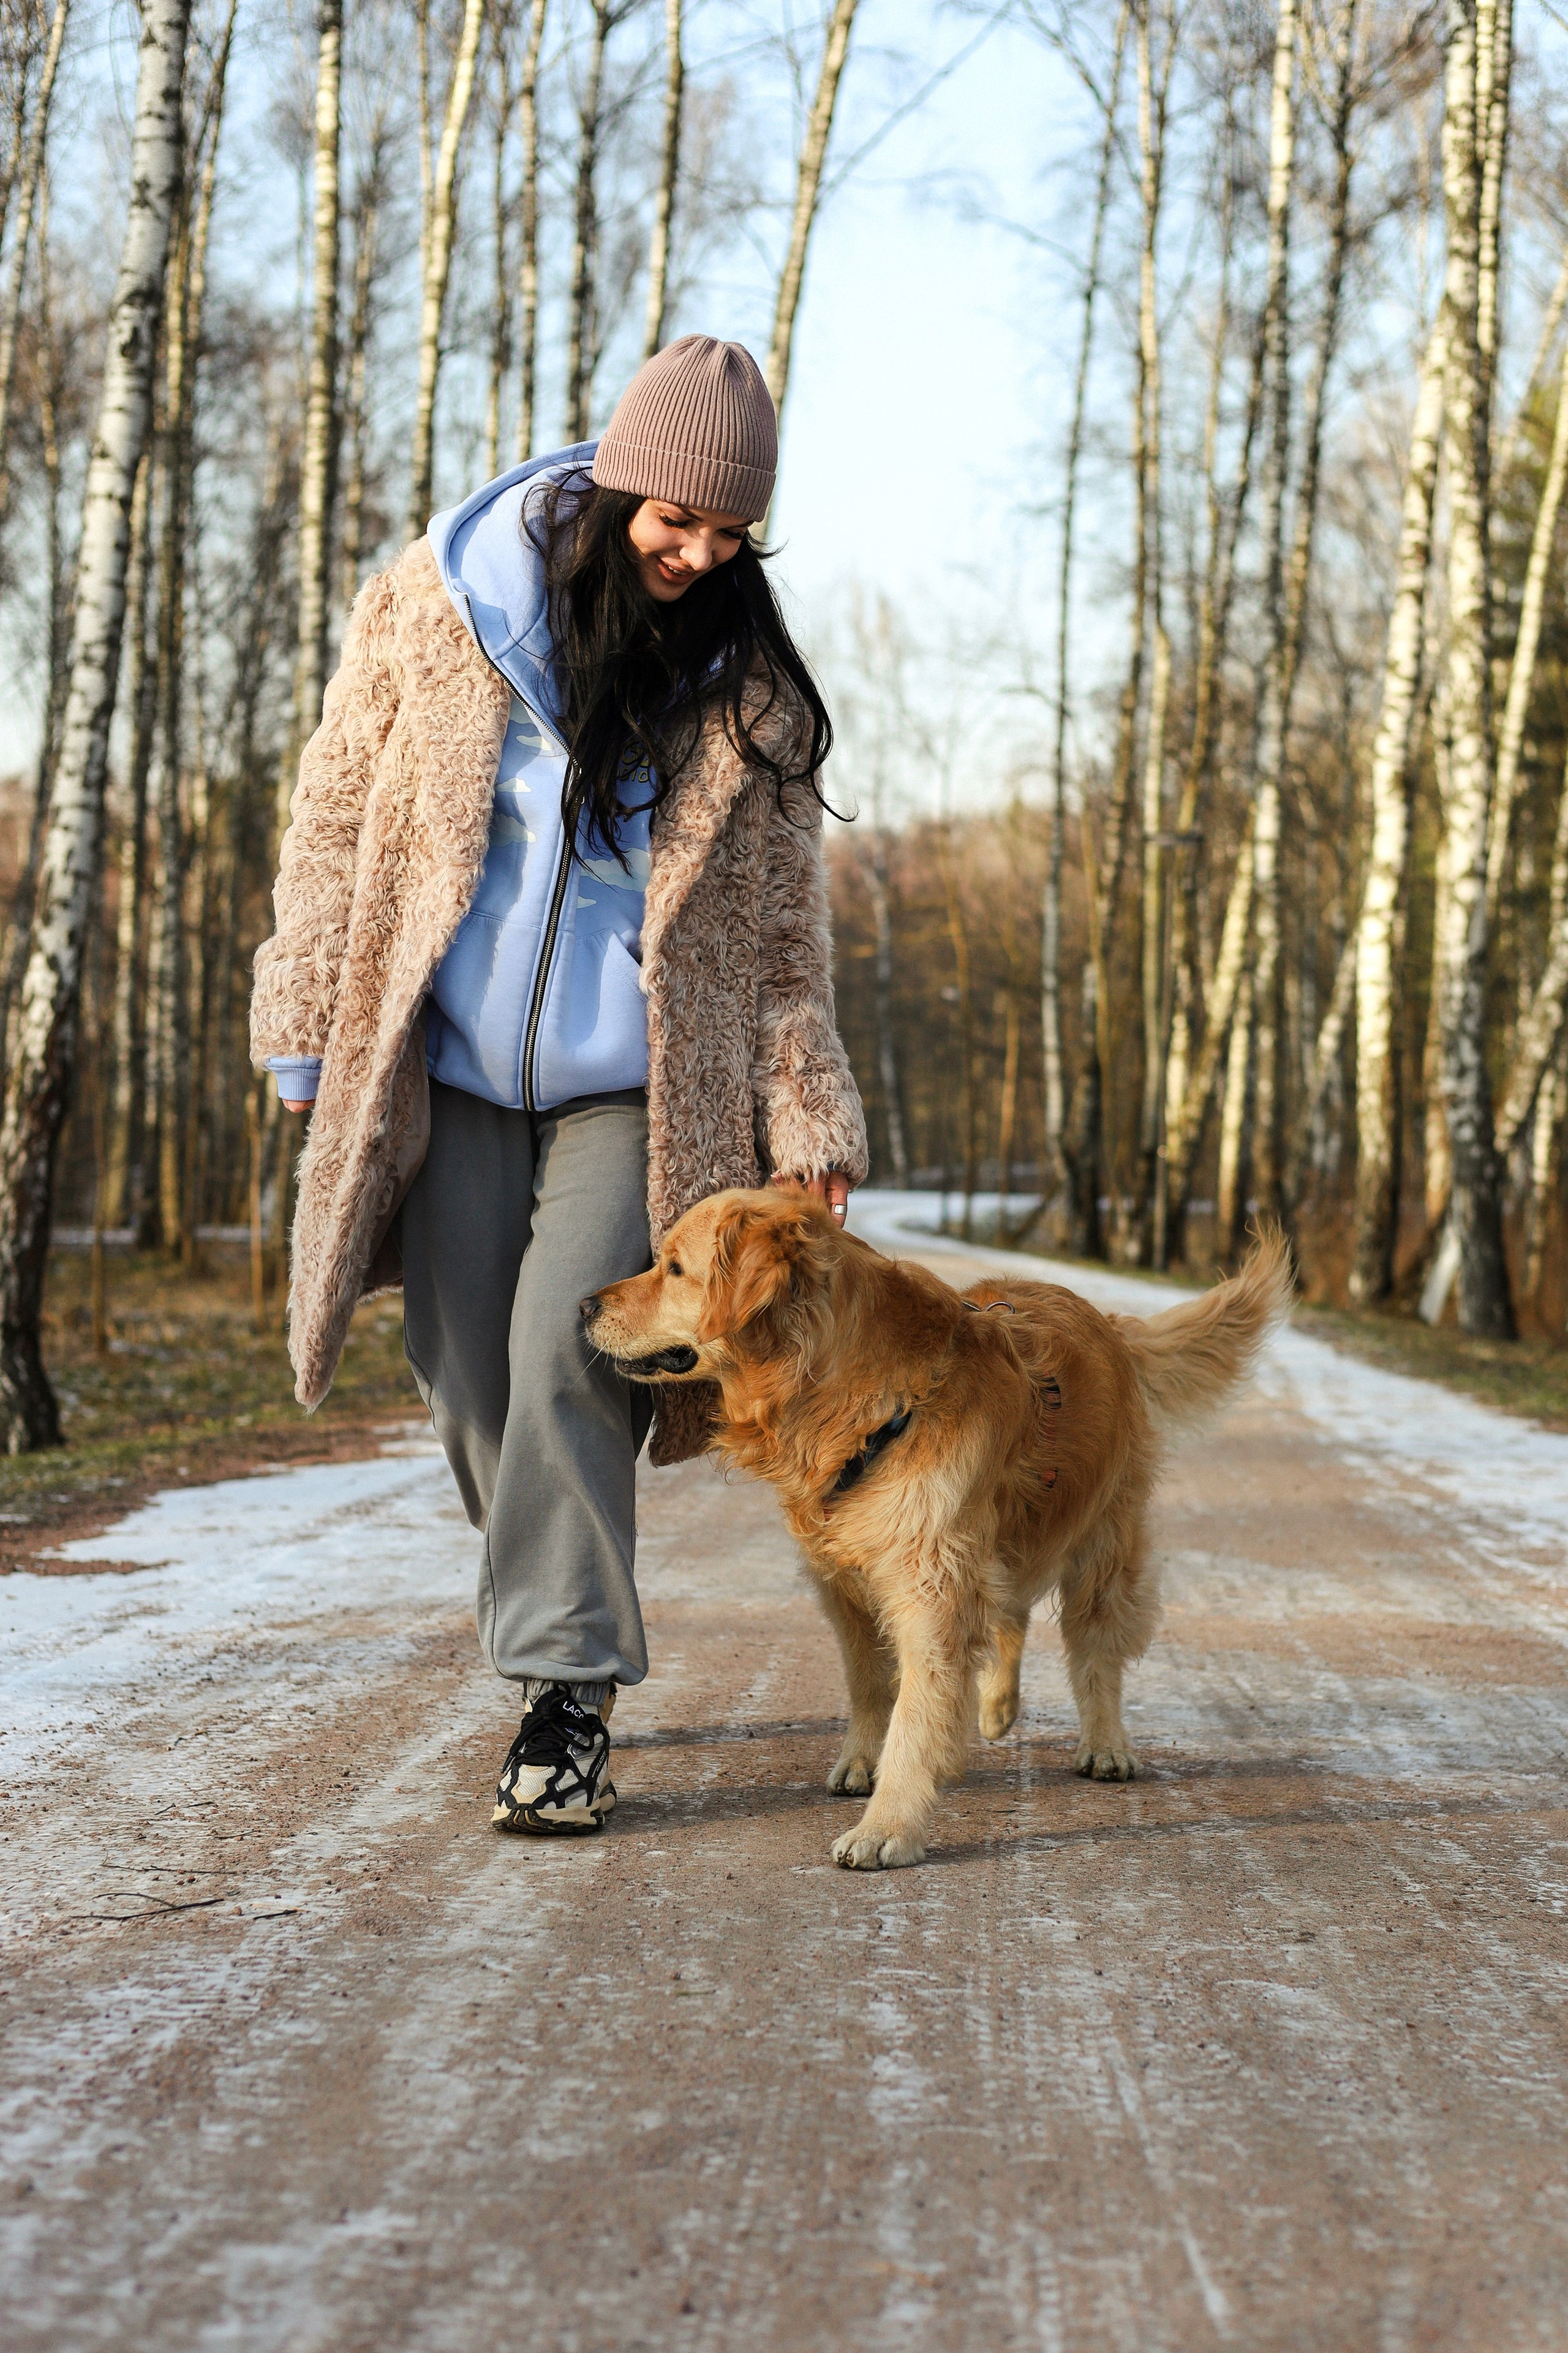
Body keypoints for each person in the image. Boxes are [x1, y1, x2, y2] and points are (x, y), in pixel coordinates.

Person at [250, 334, 867, 1837]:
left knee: (564, 1356)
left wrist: (808, 1113)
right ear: (617, 481)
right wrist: (305, 1003)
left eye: (729, 534)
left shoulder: (752, 697)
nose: (697, 552)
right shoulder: (441, 608)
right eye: (676, 519)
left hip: (638, 1092)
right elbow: (334, 815)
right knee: (463, 1367)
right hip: (448, 1062)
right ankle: (554, 1599)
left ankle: (564, 1689)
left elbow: (787, 937)